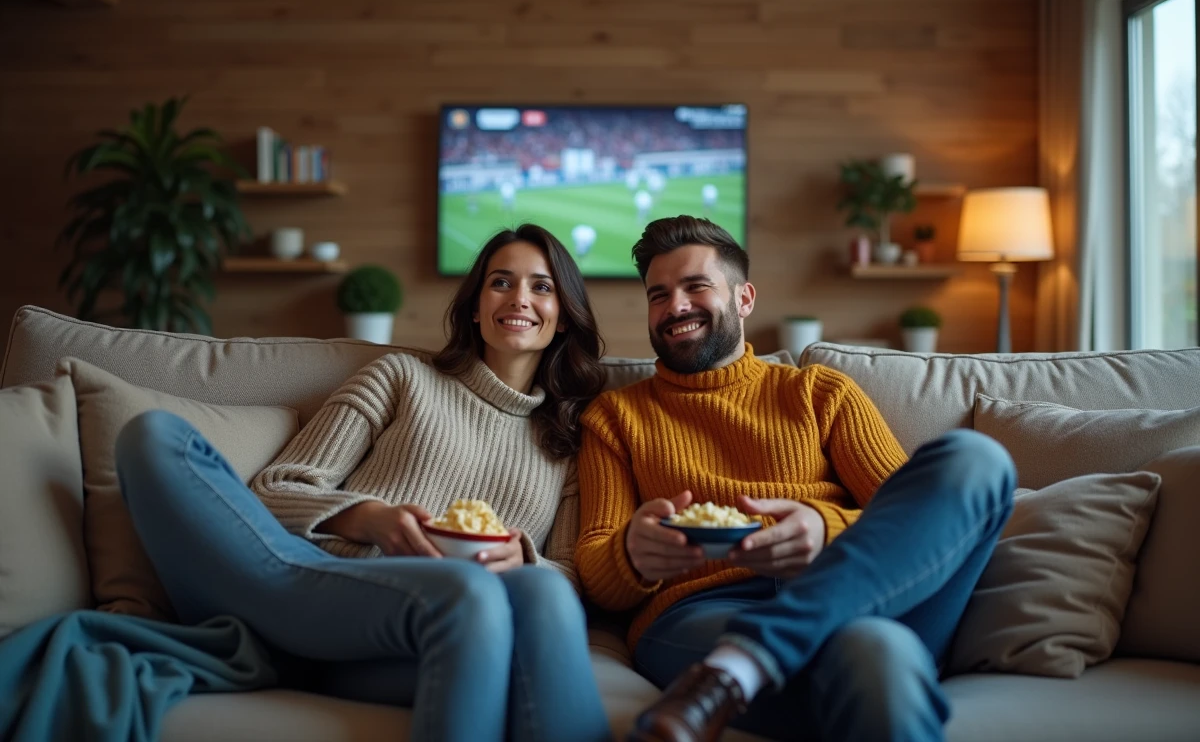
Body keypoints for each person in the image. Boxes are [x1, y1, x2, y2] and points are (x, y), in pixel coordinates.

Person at [115, 224, 613, 742]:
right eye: (500, 282)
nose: (519, 298)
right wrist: (369, 518)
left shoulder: (566, 441)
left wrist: (523, 558)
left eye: (542, 286)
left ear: (562, 317)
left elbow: (571, 576)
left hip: (420, 644)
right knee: (157, 436)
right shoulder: (401, 377)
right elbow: (273, 490)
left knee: (538, 591)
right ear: (474, 306)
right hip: (331, 590)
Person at [574, 216, 1016, 742]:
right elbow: (595, 566)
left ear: (744, 299)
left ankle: (736, 669)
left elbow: (908, 519)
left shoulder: (820, 393)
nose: (676, 307)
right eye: (659, 295)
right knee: (877, 654)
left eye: (696, 286)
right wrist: (631, 552)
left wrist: (825, 530)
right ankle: (750, 657)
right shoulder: (614, 418)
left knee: (976, 459)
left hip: (863, 592)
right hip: (708, 612)